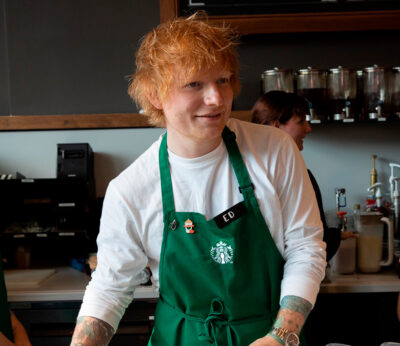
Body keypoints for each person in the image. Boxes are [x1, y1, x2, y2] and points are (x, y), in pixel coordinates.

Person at [71, 12, 326, 346]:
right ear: (155, 95)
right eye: (194, 84)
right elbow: (109, 287)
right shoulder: (130, 189)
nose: (217, 99)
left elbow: (306, 248)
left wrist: (282, 334)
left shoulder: (274, 150)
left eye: (223, 80)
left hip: (269, 334)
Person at [251, 90, 342, 261]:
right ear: (276, 127)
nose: (308, 128)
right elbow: (316, 242)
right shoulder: (301, 178)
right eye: (301, 122)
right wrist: (336, 236)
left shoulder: (248, 171)